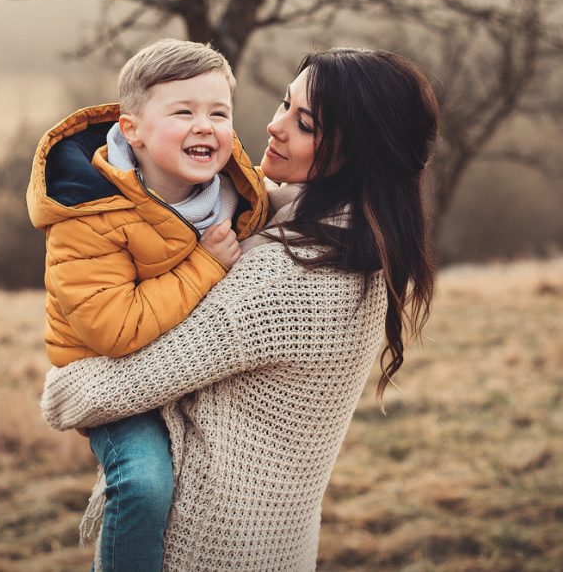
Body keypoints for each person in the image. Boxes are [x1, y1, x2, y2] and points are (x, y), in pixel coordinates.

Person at [41, 47, 440, 571]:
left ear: (357, 153)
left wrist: (61, 383)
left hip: (204, 549)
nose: (274, 127)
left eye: (305, 124)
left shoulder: (290, 276)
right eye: (283, 103)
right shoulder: (361, 243)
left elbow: (117, 389)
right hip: (277, 545)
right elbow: (252, 202)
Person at [26, 38, 269, 571]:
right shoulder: (87, 212)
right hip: (106, 376)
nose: (205, 125)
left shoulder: (231, 189)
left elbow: (284, 203)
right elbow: (114, 329)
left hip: (183, 363)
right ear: (132, 129)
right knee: (146, 483)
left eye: (219, 113)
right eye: (183, 112)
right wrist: (207, 265)